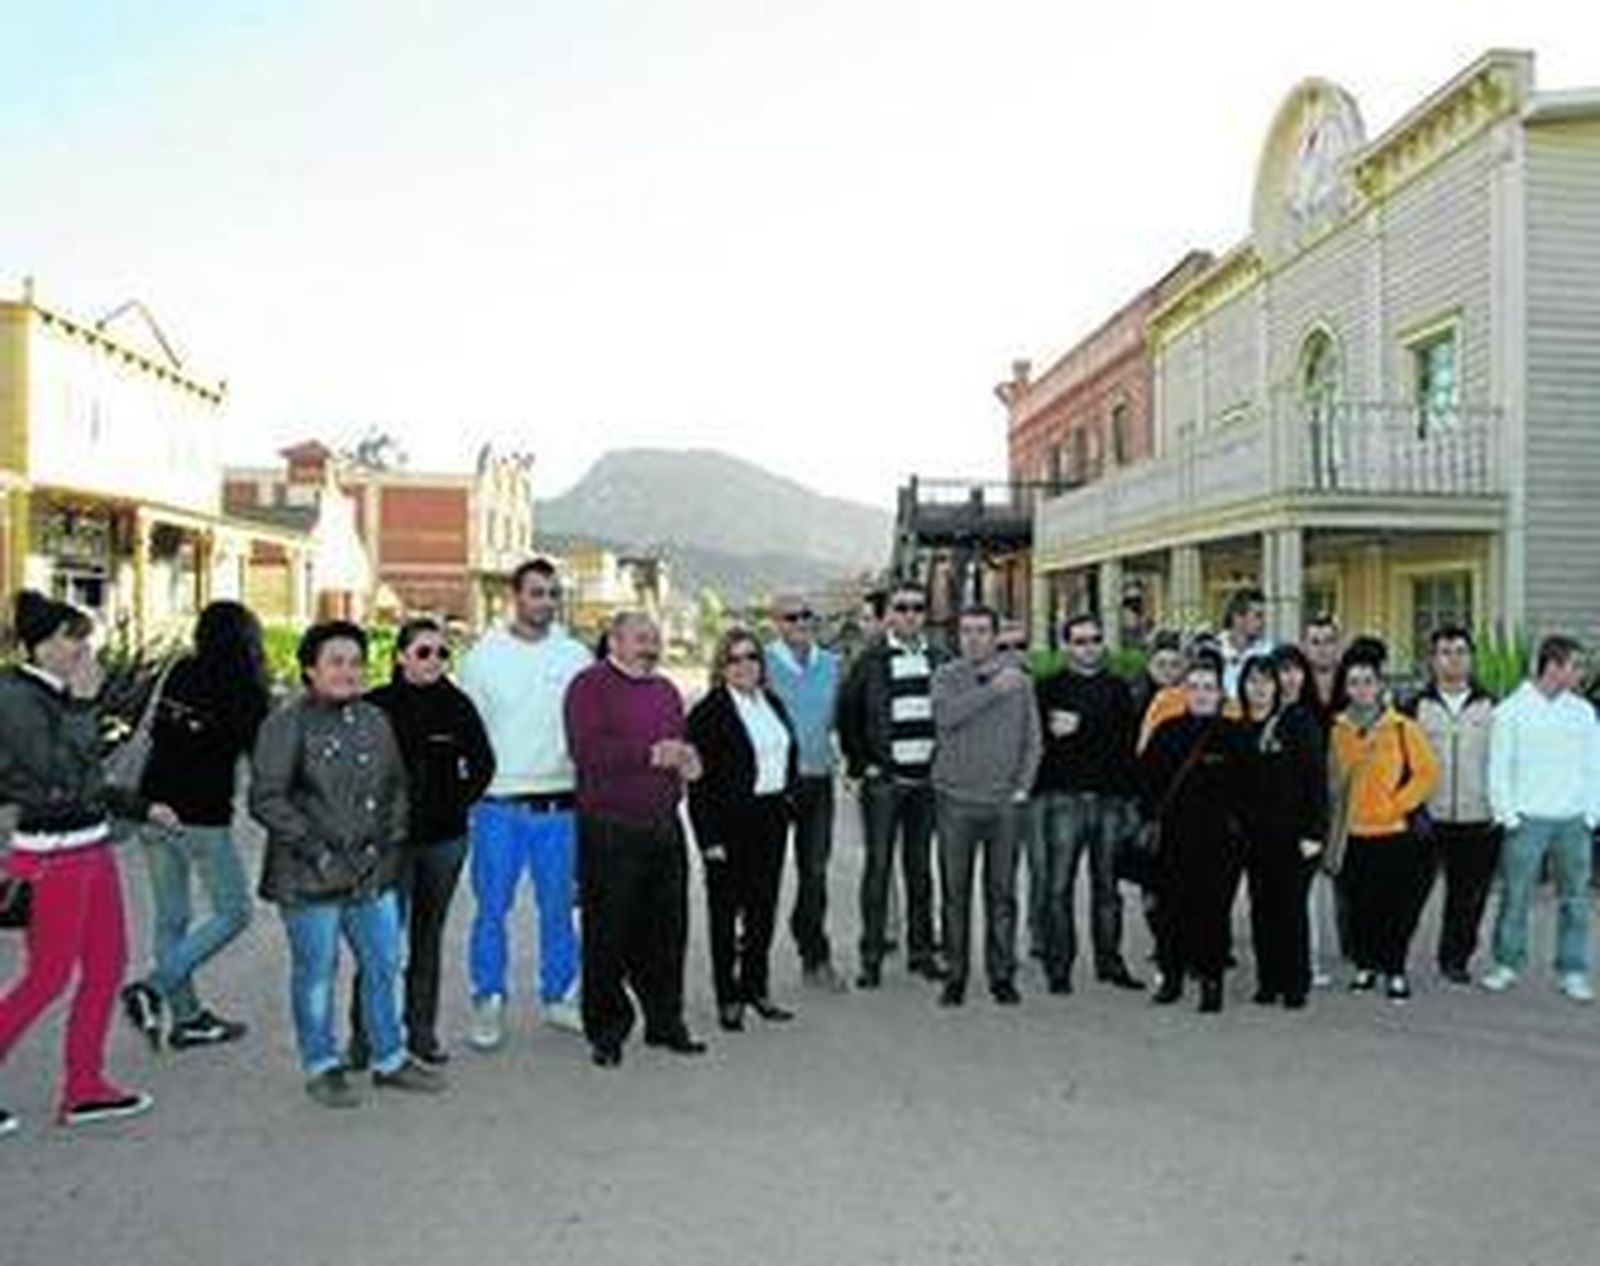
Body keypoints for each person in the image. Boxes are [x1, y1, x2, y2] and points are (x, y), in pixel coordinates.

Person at [0, 592, 175, 1133]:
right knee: (48, 976)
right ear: (41, 645)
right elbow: (56, 774)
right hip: (51, 855)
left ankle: (84, 1086)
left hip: (89, 846)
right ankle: (81, 1086)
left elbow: (90, 780)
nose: (82, 649)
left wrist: (143, 807)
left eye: (83, 637)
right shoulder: (15, 696)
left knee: (106, 967)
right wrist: (82, 705)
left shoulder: (57, 694)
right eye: (71, 639)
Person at [250, 621, 443, 1108]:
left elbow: (397, 786)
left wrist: (392, 842)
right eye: (335, 662)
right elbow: (266, 798)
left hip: (371, 872)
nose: (348, 671)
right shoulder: (286, 723)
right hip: (308, 873)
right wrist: (317, 849)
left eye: (355, 662)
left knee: (383, 965)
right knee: (317, 972)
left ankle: (389, 1058)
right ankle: (321, 1064)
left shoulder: (375, 720)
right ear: (310, 669)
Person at [121, 600, 270, 1051]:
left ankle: (187, 1019)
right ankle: (154, 986)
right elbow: (261, 756)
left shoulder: (182, 670)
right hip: (201, 814)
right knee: (234, 912)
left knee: (172, 917)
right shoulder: (245, 687)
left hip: (151, 805)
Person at [456, 559, 592, 1050]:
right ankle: (488, 998)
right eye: (537, 593)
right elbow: (466, 733)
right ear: (517, 596)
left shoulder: (576, 655)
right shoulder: (482, 657)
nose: (546, 602)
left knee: (559, 908)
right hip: (498, 807)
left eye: (554, 594)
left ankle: (559, 996)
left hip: (559, 807)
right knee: (492, 908)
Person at [350, 618, 495, 1066]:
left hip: (443, 844)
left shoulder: (458, 706)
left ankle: (421, 1033)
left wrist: (455, 803)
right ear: (400, 657)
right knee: (380, 944)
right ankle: (365, 1037)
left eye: (441, 653)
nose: (434, 661)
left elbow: (483, 764)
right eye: (424, 652)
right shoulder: (374, 706)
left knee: (426, 941)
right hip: (386, 845)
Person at [564, 612, 706, 1067]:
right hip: (609, 827)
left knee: (668, 931)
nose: (651, 646)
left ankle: (666, 1022)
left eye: (655, 639)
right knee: (609, 933)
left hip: (664, 824)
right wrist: (649, 754)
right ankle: (607, 1031)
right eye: (642, 638)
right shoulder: (589, 686)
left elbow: (677, 748)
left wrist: (688, 763)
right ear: (615, 641)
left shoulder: (666, 690)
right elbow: (585, 751)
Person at [837, 581, 948, 988]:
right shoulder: (870, 660)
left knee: (920, 872)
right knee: (879, 869)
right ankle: (871, 957)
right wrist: (860, 764)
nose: (910, 615)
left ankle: (921, 953)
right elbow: (847, 713)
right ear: (889, 615)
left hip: (925, 785)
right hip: (884, 783)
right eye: (901, 608)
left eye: (918, 608)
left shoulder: (939, 658)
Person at [688, 628, 800, 1032]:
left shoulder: (772, 702)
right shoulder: (708, 712)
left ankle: (757, 987)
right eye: (734, 658)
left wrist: (788, 802)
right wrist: (708, 839)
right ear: (722, 666)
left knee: (762, 910)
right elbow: (696, 784)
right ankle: (728, 995)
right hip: (728, 824)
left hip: (770, 820)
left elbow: (789, 756)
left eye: (751, 657)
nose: (745, 665)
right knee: (724, 913)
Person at [930, 607, 1042, 1007]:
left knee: (1002, 895)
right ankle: (955, 976)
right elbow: (946, 718)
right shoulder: (947, 676)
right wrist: (994, 689)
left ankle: (1002, 975)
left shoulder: (1022, 682)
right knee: (954, 895)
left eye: (981, 631)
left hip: (1005, 806)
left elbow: (1034, 740)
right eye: (966, 631)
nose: (973, 638)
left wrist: (1023, 788)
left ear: (995, 636)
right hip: (955, 801)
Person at [1482, 635, 1600, 1003]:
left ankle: (1573, 969)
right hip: (1526, 819)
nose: (1582, 672)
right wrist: (1507, 815)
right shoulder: (1511, 710)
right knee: (1516, 896)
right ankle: (1506, 963)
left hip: (1573, 820)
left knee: (1575, 900)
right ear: (1553, 666)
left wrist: (1591, 813)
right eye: (1576, 665)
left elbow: (1594, 764)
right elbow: (1498, 766)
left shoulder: (1582, 712)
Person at [1032, 613, 1143, 994]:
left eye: (1094, 639)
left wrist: (1082, 727)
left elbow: (1126, 743)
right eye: (1079, 640)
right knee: (1058, 888)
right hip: (1064, 799)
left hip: (1110, 800)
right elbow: (1039, 743)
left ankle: (1110, 963)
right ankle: (1059, 967)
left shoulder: (1119, 689)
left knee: (1108, 890)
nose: (1088, 647)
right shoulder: (1047, 688)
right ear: (1065, 646)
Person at [1327, 643, 1439, 1003]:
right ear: (1346, 688)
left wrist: (1395, 804)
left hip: (1394, 835)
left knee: (1396, 908)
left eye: (1367, 682)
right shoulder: (1337, 731)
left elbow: (1427, 774)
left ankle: (1394, 969)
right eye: (1354, 682)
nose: (1361, 689)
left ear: (1379, 686)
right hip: (1352, 835)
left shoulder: (1402, 728)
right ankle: (1365, 965)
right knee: (1359, 907)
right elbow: (1330, 781)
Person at [1139, 652, 1246, 1013]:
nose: (1201, 694)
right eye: (1195, 687)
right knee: (1170, 910)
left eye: (1209, 688)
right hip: (1173, 837)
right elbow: (1146, 782)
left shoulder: (1234, 734)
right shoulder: (1167, 731)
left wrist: (1239, 826)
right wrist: (1149, 818)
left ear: (1220, 693)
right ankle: (1171, 977)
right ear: (1185, 692)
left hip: (1221, 841)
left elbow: (1252, 788)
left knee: (1213, 911)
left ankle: (1211, 980)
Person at [764, 594, 846, 991]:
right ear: (776, 622)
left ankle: (815, 953)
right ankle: (751, 965)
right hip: (771, 786)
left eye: (808, 616)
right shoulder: (759, 663)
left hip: (817, 779)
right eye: (792, 617)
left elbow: (843, 719)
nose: (801, 622)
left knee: (814, 871)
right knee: (764, 872)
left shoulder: (832, 665)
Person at [1408, 626, 1498, 985]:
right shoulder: (1416, 707)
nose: (1453, 659)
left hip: (1478, 817)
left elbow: (1505, 762)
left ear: (1471, 658)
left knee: (1468, 898)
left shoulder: (1492, 707)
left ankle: (1455, 959)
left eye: (1460, 651)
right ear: (1432, 660)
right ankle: (1392, 953)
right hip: (1428, 817)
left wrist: (1499, 809)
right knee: (1409, 892)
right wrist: (1412, 811)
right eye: (1445, 652)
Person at [1237, 656, 1326, 1008]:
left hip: (1295, 837)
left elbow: (1315, 780)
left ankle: (1295, 983)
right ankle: (1267, 981)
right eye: (1252, 682)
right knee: (1261, 910)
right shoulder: (1241, 727)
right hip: (1255, 839)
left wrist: (1314, 832)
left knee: (1290, 910)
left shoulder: (1297, 722)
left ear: (1277, 687)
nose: (1259, 690)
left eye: (1266, 682)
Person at [1219, 587, 1272, 697]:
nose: (1263, 622)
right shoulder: (1214, 648)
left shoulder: (1268, 652)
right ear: (1237, 617)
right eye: (1258, 616)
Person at [1300, 615, 1342, 730]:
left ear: (1338, 645)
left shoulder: (1351, 683)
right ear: (1303, 647)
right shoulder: (1297, 685)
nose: (1322, 648)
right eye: (1315, 642)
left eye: (1329, 641)